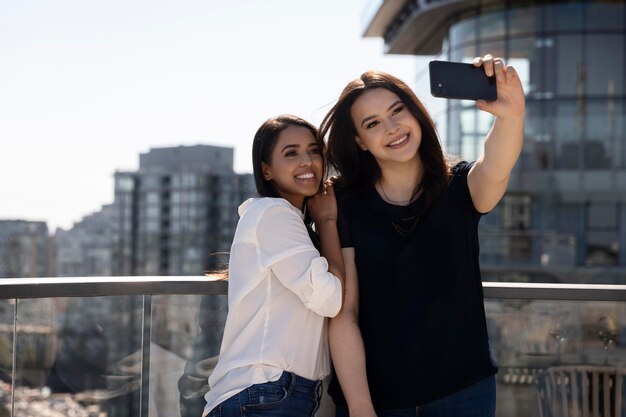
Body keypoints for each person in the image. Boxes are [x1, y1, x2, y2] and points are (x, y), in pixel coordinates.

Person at [319, 55, 525, 416]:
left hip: (464, 391)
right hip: (378, 398)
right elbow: (344, 314)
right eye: (373, 123)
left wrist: (511, 116)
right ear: (361, 141)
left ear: (416, 113)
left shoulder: (461, 187)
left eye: (398, 111)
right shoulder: (346, 205)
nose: (392, 127)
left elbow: (496, 164)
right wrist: (360, 405)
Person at [203, 114, 345, 417]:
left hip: (271, 393)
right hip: (264, 392)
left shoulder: (284, 220)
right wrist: (328, 221)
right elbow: (330, 299)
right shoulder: (274, 213)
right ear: (266, 170)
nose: (307, 161)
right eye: (291, 153)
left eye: (314, 150)